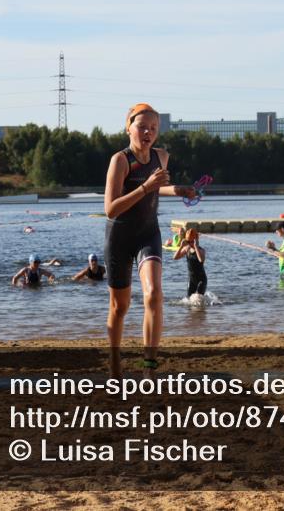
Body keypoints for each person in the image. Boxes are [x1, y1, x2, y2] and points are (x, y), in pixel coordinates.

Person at [103, 103, 196, 376]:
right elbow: (111, 208)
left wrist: (178, 190)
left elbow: (157, 189)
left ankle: (149, 366)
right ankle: (115, 362)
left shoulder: (161, 156)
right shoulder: (120, 160)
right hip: (119, 236)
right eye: (142, 126)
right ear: (128, 128)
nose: (148, 132)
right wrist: (146, 187)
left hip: (148, 233)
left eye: (153, 128)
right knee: (120, 307)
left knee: (154, 294)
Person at [173, 228, 207, 298]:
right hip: (191, 280)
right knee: (189, 299)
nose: (190, 244)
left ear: (196, 240)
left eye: (192, 242)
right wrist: (181, 246)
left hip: (201, 280)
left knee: (198, 298)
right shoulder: (187, 249)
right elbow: (175, 257)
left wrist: (196, 247)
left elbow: (201, 260)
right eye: (188, 242)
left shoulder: (201, 250)